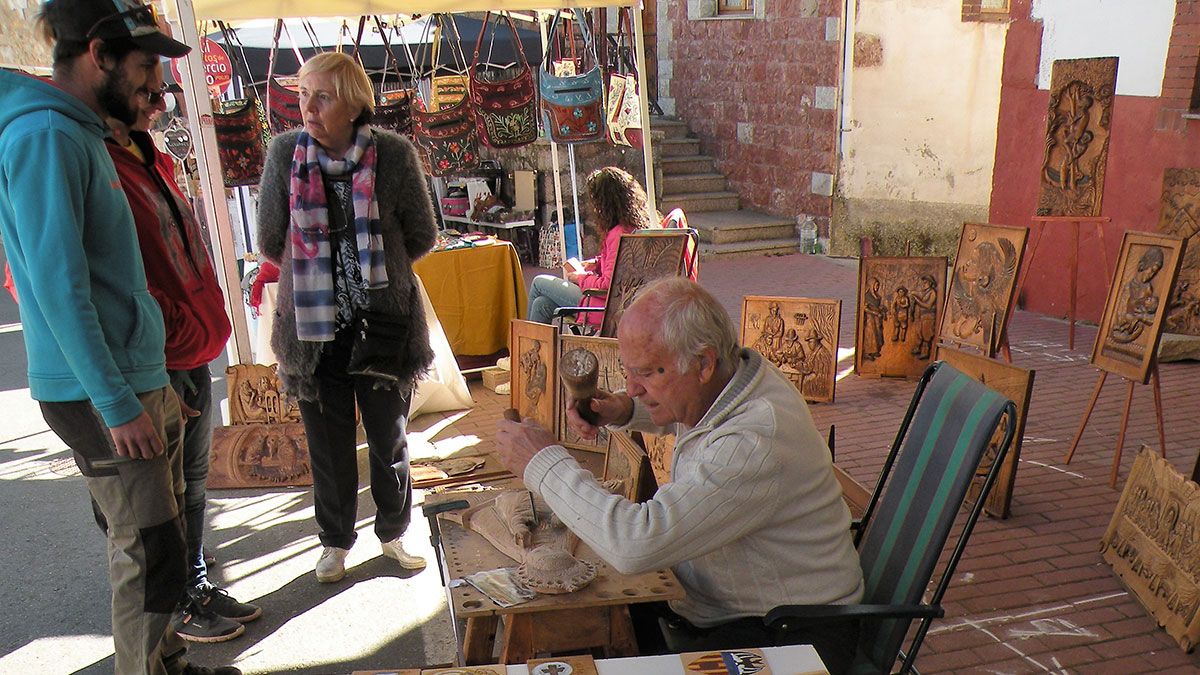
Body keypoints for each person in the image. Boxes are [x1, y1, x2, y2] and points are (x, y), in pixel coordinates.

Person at [0, 2, 237, 673]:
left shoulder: (79, 131)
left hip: (132, 378)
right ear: (98, 54)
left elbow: (110, 281)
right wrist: (117, 401)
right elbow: (56, 288)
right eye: (143, 67)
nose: (151, 84)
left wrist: (154, 384)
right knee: (147, 551)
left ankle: (166, 659)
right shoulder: (46, 133)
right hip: (98, 389)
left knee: (159, 547)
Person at [494, 277, 864, 671]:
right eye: (628, 371)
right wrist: (625, 409)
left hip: (791, 635)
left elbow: (635, 544)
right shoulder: (734, 376)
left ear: (703, 363)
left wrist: (544, 462)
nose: (633, 387)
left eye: (648, 374)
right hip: (737, 611)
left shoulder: (755, 439)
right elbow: (700, 415)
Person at [256, 52, 437, 583]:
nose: (307, 107)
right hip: (313, 328)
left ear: (355, 103)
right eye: (303, 94)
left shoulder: (394, 155)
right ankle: (334, 541)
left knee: (389, 438)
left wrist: (379, 269)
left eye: (323, 96)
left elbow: (421, 234)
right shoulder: (284, 154)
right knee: (327, 446)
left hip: (382, 322)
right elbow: (271, 239)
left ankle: (394, 533)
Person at [105, 69, 261, 640]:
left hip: (185, 348)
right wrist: (154, 361)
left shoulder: (147, 158)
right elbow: (94, 285)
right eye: (145, 81)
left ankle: (190, 584)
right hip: (155, 358)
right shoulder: (92, 161)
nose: (158, 96)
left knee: (193, 483)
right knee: (157, 504)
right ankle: (175, 608)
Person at [526, 166, 654, 327]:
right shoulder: (634, 227)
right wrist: (596, 262)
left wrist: (580, 277)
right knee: (541, 304)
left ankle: (524, 342)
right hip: (622, 302)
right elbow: (621, 263)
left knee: (539, 282)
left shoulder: (618, 234)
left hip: (606, 307)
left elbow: (608, 285)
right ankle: (532, 349)